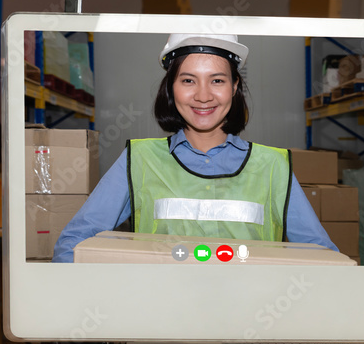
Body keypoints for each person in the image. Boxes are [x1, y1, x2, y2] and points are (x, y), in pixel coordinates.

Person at [53, 33, 337, 262]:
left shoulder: (273, 166)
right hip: (162, 325)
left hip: (249, 322)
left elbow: (322, 255)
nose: (203, 96)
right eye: (188, 80)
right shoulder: (140, 159)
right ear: (171, 88)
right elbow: (74, 242)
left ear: (235, 86)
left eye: (217, 80)